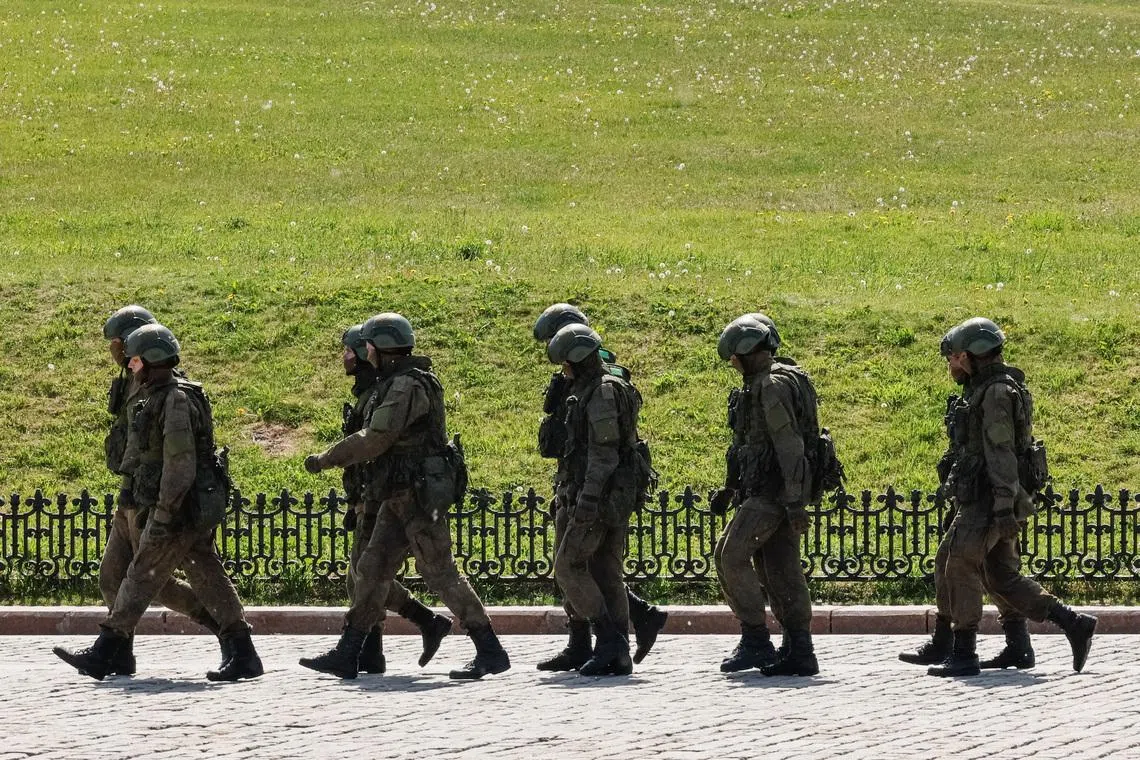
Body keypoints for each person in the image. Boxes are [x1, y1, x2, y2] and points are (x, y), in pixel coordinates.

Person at [299, 313, 509, 680]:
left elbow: (377, 437)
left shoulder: (407, 386)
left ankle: (489, 648)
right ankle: (349, 651)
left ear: (381, 347)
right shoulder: (394, 382)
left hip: (417, 498)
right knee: (372, 569)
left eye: (368, 345)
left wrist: (326, 459)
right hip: (396, 496)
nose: (364, 352)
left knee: (441, 573)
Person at [54, 324, 263, 682]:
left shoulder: (175, 399)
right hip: (153, 499)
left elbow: (180, 462)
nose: (129, 366)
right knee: (198, 571)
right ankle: (241, 651)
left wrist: (165, 511)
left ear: (149, 361)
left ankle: (109, 648)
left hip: (175, 507)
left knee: (141, 574)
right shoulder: (154, 393)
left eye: (134, 360)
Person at [925, 317, 1097, 677]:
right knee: (1001, 574)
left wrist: (1003, 506)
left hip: (990, 498)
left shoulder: (997, 393)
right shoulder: (984, 389)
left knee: (958, 562)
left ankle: (963, 651)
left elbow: (1001, 452)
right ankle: (1048, 633)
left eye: (954, 357)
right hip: (987, 494)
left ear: (973, 355)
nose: (951, 365)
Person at [532, 303, 667, 670]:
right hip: (580, 485)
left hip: (598, 493)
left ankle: (610, 642)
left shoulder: (603, 389)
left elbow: (604, 454)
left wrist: (588, 499)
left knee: (571, 566)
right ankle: (595, 646)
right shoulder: (583, 385)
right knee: (602, 569)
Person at [94, 306, 223, 677]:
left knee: (147, 579)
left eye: (118, 343)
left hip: (156, 499)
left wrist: (165, 505)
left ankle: (225, 628)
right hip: (132, 492)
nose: (114, 351)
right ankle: (120, 650)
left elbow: (176, 454)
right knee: (114, 577)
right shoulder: (133, 380)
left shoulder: (167, 387)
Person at [337, 324, 453, 674]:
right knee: (362, 573)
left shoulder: (384, 388)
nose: (344, 357)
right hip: (369, 489)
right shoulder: (369, 388)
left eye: (349, 351)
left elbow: (376, 442)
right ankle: (374, 649)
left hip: (382, 491)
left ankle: (420, 624)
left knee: (366, 573)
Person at [711, 314, 818, 676]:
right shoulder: (767, 381)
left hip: (773, 494)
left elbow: (789, 445)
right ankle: (799, 649)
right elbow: (747, 445)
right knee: (781, 570)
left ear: (746, 351)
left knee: (729, 555)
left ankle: (756, 639)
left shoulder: (771, 386)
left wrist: (793, 502)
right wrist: (731, 487)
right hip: (771, 492)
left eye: (734, 357)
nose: (731, 363)